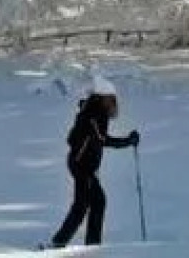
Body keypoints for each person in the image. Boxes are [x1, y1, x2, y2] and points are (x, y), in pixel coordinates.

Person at [46, 76, 139, 250]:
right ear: (104, 98)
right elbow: (103, 139)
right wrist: (128, 141)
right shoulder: (96, 114)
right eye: (112, 99)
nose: (115, 104)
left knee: (94, 202)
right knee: (86, 205)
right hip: (83, 166)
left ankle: (80, 244)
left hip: (81, 164)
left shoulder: (92, 110)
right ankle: (68, 244)